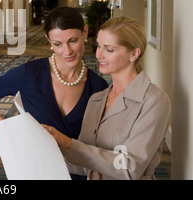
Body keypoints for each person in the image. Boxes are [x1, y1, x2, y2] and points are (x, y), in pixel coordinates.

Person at [0, 7, 109, 180]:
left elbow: (101, 142)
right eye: (57, 44)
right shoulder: (29, 74)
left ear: (85, 32)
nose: (67, 51)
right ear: (48, 41)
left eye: (73, 40)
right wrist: (12, 131)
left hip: (79, 173)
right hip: (36, 170)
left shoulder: (98, 86)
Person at [44, 17, 171, 180]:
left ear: (134, 54)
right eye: (98, 46)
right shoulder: (97, 99)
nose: (98, 55)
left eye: (109, 50)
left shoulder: (155, 101)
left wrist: (69, 143)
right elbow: (84, 163)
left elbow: (130, 168)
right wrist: (48, 147)